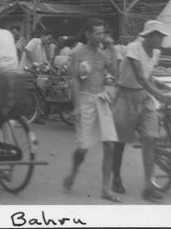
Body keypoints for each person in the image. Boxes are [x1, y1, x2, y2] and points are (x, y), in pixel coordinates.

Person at [110, 20, 171, 202]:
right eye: (158, 35)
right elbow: (139, 76)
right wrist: (160, 95)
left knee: (150, 138)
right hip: (125, 94)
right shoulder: (133, 47)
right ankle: (116, 176)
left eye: (162, 36)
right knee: (121, 140)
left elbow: (148, 77)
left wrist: (164, 90)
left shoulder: (156, 53)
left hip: (144, 97)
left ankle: (149, 185)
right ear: (148, 36)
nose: (161, 39)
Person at [61, 18, 121, 203]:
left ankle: (105, 188)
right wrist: (77, 106)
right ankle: (73, 172)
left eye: (103, 33)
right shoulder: (78, 52)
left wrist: (112, 48)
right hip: (85, 99)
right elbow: (75, 80)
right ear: (88, 34)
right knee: (83, 148)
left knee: (110, 144)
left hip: (102, 98)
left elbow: (116, 72)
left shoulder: (103, 53)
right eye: (98, 33)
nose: (101, 36)